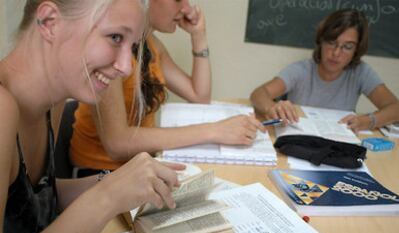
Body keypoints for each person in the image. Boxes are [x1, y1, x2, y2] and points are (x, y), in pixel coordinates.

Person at [0, 1, 182, 233]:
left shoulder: (54, 95)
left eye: (131, 46)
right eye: (115, 38)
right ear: (49, 22)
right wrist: (106, 197)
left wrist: (111, 182)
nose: (126, 67)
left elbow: (30, 201)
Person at [70, 0, 265, 177]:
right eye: (178, 0)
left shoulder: (152, 46)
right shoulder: (113, 53)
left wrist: (199, 35)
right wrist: (215, 131)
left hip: (138, 167)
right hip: (99, 175)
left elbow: (199, 96)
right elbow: (117, 143)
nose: (187, 9)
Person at [250, 9, 399, 132]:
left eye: (347, 46)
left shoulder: (361, 72)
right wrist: (271, 107)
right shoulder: (301, 70)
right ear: (321, 41)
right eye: (332, 42)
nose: (336, 53)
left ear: (356, 50)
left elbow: (396, 109)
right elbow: (258, 93)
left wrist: (367, 121)